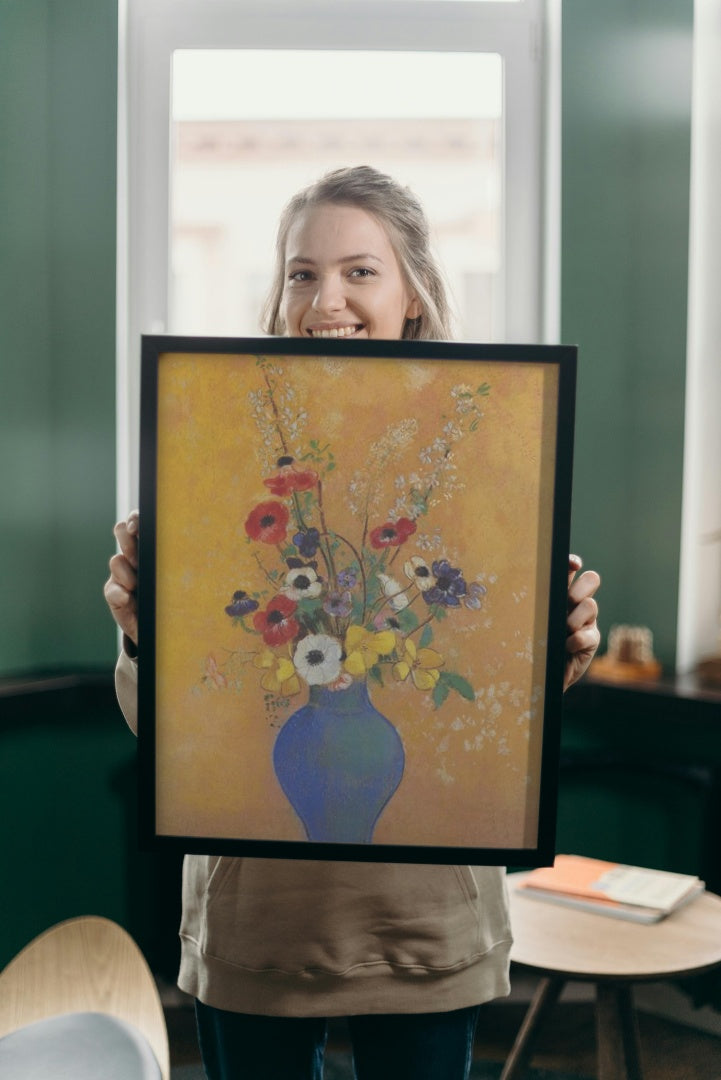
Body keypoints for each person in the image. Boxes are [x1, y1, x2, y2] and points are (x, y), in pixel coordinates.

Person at [105, 166, 601, 1080]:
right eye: (301, 272)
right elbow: (172, 729)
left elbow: (492, 713)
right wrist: (143, 636)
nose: (324, 298)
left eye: (359, 271)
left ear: (412, 292)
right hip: (258, 922)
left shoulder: (488, 456)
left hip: (424, 922)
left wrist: (556, 650)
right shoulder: (208, 449)